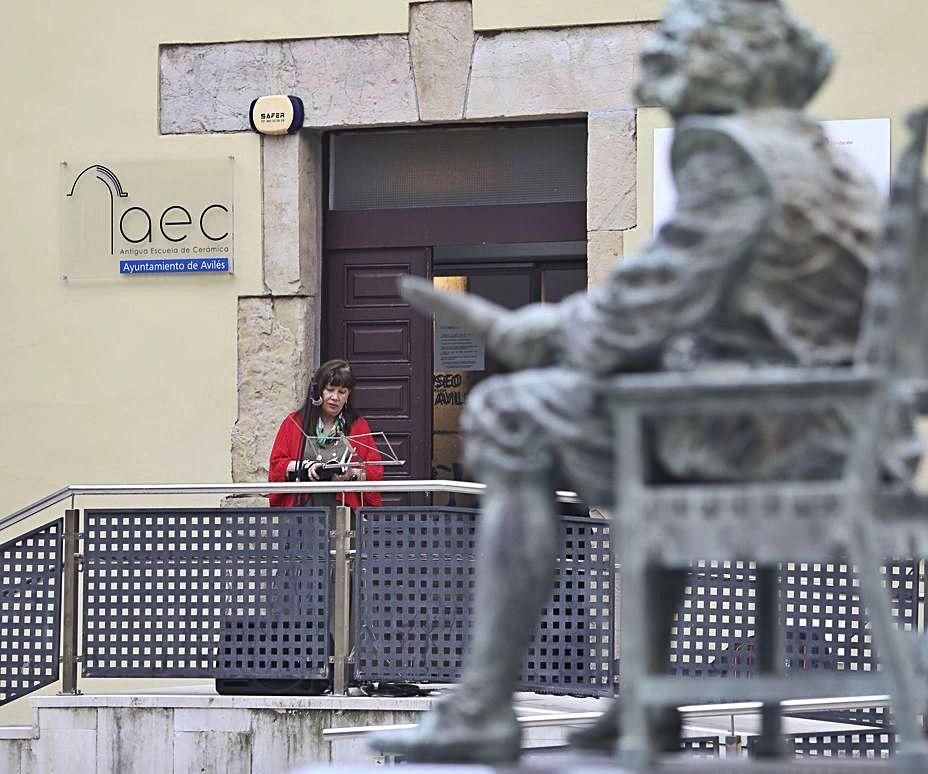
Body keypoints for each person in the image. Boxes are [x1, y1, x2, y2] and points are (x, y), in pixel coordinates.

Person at [369, 0, 919, 764]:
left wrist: (526, 332)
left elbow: (644, 310)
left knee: (507, 410)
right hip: (843, 432)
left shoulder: (728, 150)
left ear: (728, 57)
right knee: (637, 442)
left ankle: (482, 708)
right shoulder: (821, 154)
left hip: (779, 435)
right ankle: (644, 707)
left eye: (677, 44)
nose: (658, 64)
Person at [269, 359, 383, 509]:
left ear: (348, 395)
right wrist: (305, 466)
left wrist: (352, 474)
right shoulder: (294, 422)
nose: (335, 397)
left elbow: (375, 472)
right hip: (303, 511)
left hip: (343, 511)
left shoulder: (358, 426)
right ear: (318, 391)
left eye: (342, 392)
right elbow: (277, 465)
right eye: (330, 390)